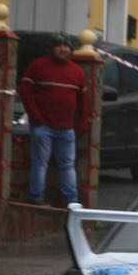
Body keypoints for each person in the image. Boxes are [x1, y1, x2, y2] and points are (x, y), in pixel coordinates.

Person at [18, 35, 87, 206]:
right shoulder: (38, 66)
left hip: (67, 128)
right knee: (40, 163)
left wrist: (80, 124)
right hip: (43, 127)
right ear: (52, 48)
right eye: (59, 46)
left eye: (66, 46)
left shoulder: (77, 72)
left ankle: (71, 202)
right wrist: (36, 117)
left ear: (71, 50)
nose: (63, 49)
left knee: (68, 165)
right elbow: (25, 92)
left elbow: (83, 102)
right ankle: (36, 198)